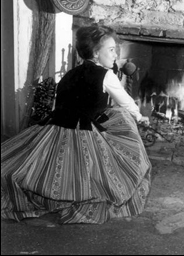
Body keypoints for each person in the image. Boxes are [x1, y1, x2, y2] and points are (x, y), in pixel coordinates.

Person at [1, 25, 152, 224]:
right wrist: (140, 117)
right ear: (96, 53)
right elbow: (125, 101)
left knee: (56, 165)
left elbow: (61, 104)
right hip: (84, 131)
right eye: (112, 49)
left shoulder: (69, 74)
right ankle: (81, 196)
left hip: (54, 129)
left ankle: (55, 193)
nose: (116, 54)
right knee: (118, 124)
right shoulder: (106, 75)